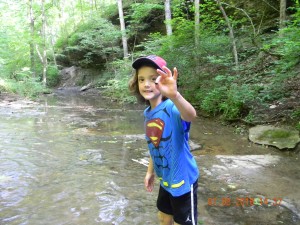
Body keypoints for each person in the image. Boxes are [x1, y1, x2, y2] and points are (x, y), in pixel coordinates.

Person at [129, 55, 199, 225]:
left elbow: (190, 115)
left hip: (183, 180)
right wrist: (149, 171)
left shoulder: (172, 107)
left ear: (163, 81)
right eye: (141, 79)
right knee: (163, 217)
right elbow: (155, 145)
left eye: (153, 79)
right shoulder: (148, 114)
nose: (146, 84)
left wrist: (175, 96)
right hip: (167, 180)